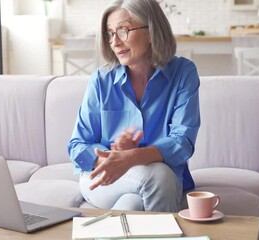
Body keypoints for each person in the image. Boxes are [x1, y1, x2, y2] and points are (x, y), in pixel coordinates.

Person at [67, 0, 200, 212]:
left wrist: (134, 156)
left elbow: (183, 142)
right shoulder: (101, 80)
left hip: (156, 178)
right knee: (160, 176)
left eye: (123, 30)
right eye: (110, 33)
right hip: (104, 176)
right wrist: (112, 157)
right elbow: (77, 145)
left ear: (151, 31)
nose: (114, 42)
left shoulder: (183, 73)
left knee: (135, 202)